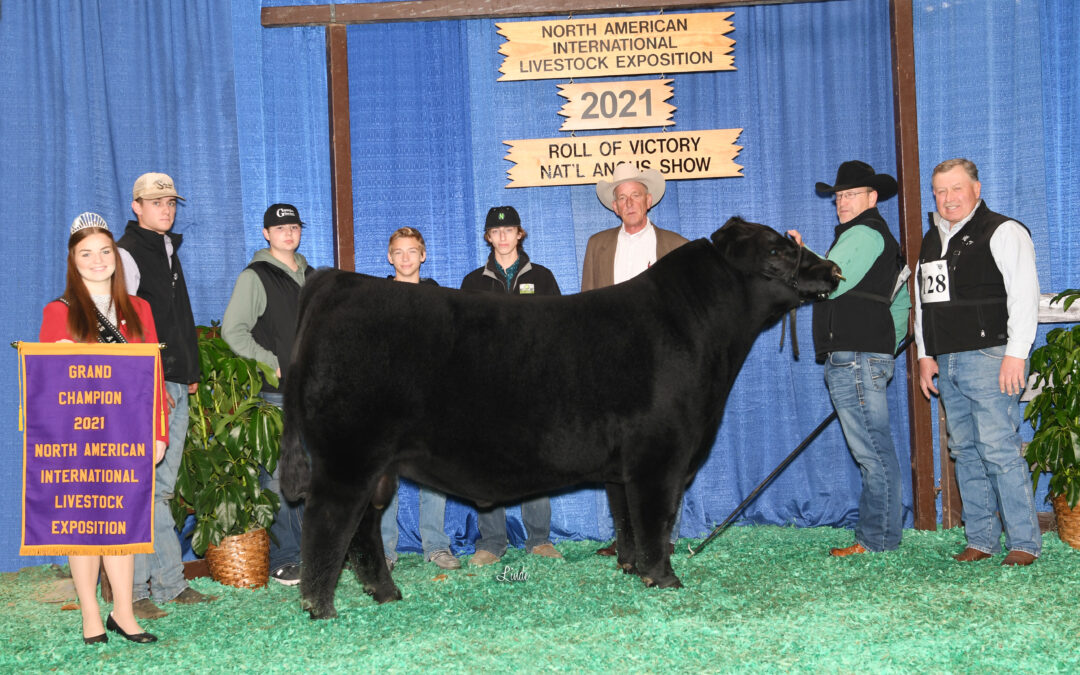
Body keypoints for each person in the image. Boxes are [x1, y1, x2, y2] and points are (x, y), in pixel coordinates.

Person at [39, 213, 166, 644]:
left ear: (116, 256)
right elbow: (45, 388)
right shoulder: (58, 313)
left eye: (105, 251)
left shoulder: (140, 309)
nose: (97, 261)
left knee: (121, 525)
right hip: (78, 437)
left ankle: (124, 612)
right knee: (82, 524)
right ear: (73, 261)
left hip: (128, 435)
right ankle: (90, 614)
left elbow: (154, 376)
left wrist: (159, 432)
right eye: (86, 253)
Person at [914, 158, 1041, 566]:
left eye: (955, 188)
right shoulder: (931, 238)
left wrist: (1016, 353)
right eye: (940, 191)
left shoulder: (1004, 230)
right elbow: (923, 301)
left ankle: (1023, 543)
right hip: (947, 358)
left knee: (998, 447)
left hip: (991, 356)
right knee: (964, 450)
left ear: (977, 189)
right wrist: (924, 354)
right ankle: (981, 538)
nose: (948, 198)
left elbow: (1024, 294)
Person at [786, 160, 911, 556]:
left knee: (871, 453)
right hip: (865, 353)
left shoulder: (863, 233)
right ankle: (884, 538)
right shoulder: (877, 237)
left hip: (855, 355)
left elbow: (830, 282)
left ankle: (874, 541)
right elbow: (901, 302)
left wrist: (798, 256)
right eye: (839, 196)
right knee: (877, 450)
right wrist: (883, 348)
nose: (842, 202)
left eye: (850, 195)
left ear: (872, 198)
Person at [117, 173, 215, 617]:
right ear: (136, 205)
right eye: (156, 201)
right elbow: (121, 325)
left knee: (159, 489)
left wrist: (188, 371)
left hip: (174, 380)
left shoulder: (166, 247)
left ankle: (163, 585)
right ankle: (138, 591)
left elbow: (174, 317)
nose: (166, 208)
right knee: (143, 489)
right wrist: (149, 383)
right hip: (150, 384)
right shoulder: (127, 253)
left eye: (171, 201)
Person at [583, 162, 688, 557]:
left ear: (649, 200)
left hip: (662, 365)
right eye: (621, 198)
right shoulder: (599, 245)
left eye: (635, 196)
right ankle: (625, 536)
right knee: (615, 450)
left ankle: (663, 534)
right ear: (614, 206)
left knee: (665, 449)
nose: (628, 203)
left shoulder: (677, 246)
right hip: (611, 364)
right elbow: (588, 305)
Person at [460, 206, 563, 566]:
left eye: (509, 231)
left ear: (520, 234)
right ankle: (491, 542)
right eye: (495, 232)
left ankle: (539, 540)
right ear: (488, 237)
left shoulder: (544, 278)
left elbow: (559, 331)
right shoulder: (473, 282)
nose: (503, 237)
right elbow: (464, 337)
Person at [222, 203, 310, 585]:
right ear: (266, 234)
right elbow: (233, 330)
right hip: (276, 394)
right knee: (276, 477)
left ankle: (312, 551)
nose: (288, 233)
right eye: (280, 228)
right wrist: (267, 359)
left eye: (293, 227)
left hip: (311, 394)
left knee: (309, 474)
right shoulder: (255, 277)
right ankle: (284, 556)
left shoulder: (311, 276)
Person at [379, 227, 461, 571]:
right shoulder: (377, 297)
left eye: (412, 251)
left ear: (423, 255)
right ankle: (383, 549)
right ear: (389, 257)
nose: (406, 258)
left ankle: (437, 546)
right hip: (390, 398)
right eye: (398, 252)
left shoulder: (439, 297)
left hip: (430, 398)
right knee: (385, 474)